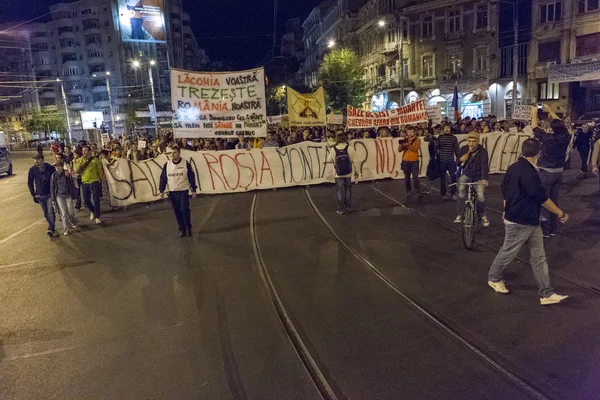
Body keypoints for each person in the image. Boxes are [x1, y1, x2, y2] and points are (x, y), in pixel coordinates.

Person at [487, 138, 569, 305]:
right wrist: (560, 213)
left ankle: (546, 293)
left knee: (538, 256)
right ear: (538, 154)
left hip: (527, 219)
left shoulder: (513, 168)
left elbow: (504, 190)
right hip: (521, 220)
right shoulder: (529, 173)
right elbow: (540, 197)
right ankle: (494, 278)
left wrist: (505, 209)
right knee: (508, 252)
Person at [532, 105, 571, 237]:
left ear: (552, 129)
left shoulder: (548, 139)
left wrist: (534, 112)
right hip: (559, 173)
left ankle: (545, 230)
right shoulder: (566, 137)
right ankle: (554, 229)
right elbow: (562, 126)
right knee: (554, 200)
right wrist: (550, 110)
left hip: (546, 172)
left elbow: (534, 128)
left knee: (545, 202)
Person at [159, 146, 197, 237]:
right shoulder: (167, 165)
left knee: (184, 210)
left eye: (175, 152)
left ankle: (188, 228)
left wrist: (194, 190)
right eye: (171, 153)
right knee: (177, 211)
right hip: (172, 192)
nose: (173, 154)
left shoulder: (185, 164)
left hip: (183, 191)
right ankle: (182, 229)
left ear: (179, 153)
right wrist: (161, 191)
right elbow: (163, 178)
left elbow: (191, 177)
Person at [454, 132, 490, 227]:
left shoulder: (483, 151)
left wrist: (484, 179)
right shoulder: (463, 149)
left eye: (474, 141)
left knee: (480, 196)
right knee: (461, 191)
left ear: (478, 141)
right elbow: (457, 163)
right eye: (469, 141)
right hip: (467, 174)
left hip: (478, 176)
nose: (471, 143)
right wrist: (461, 159)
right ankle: (460, 213)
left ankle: (482, 214)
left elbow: (484, 165)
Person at [327, 133, 357, 214]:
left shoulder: (334, 149)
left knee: (340, 191)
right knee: (348, 189)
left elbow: (329, 160)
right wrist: (356, 172)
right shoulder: (349, 148)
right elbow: (355, 160)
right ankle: (348, 207)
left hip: (338, 173)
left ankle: (340, 209)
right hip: (348, 173)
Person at [27, 154, 56, 237]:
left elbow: (55, 179)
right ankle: (51, 224)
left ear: (42, 159)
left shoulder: (50, 168)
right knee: (45, 213)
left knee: (50, 212)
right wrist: (33, 193)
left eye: (38, 159)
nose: (36, 161)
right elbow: (30, 182)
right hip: (39, 195)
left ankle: (51, 228)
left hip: (49, 194)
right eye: (35, 159)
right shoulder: (32, 170)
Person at [74, 145, 104, 224]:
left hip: (94, 181)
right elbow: (76, 171)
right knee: (86, 200)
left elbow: (100, 170)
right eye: (83, 150)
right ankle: (93, 211)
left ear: (90, 151)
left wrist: (102, 180)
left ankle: (97, 216)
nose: (84, 152)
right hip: (85, 182)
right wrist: (80, 162)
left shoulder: (95, 160)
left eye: (86, 150)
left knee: (96, 199)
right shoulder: (79, 160)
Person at [50, 161, 77, 235]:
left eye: (58, 166)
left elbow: (72, 184)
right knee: (63, 213)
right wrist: (53, 199)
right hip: (59, 196)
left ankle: (73, 221)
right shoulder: (53, 175)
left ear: (62, 166)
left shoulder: (67, 174)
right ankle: (66, 229)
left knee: (70, 212)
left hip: (68, 195)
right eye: (55, 166)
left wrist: (74, 195)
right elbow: (52, 188)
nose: (57, 168)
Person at [398, 125, 423, 198]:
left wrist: (407, 145)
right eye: (409, 132)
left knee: (415, 178)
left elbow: (415, 149)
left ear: (414, 132)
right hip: (405, 161)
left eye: (411, 132)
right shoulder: (405, 139)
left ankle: (418, 192)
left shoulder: (417, 140)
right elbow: (399, 150)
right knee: (407, 178)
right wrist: (402, 145)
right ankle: (408, 191)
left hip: (414, 161)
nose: (410, 134)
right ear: (406, 132)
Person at [438, 123, 460, 200]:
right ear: (443, 129)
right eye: (445, 128)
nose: (447, 129)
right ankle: (443, 194)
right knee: (442, 178)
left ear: (450, 129)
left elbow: (457, 149)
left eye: (448, 128)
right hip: (442, 161)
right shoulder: (440, 138)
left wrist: (459, 159)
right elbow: (436, 148)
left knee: (454, 177)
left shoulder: (454, 138)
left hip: (451, 161)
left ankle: (453, 193)